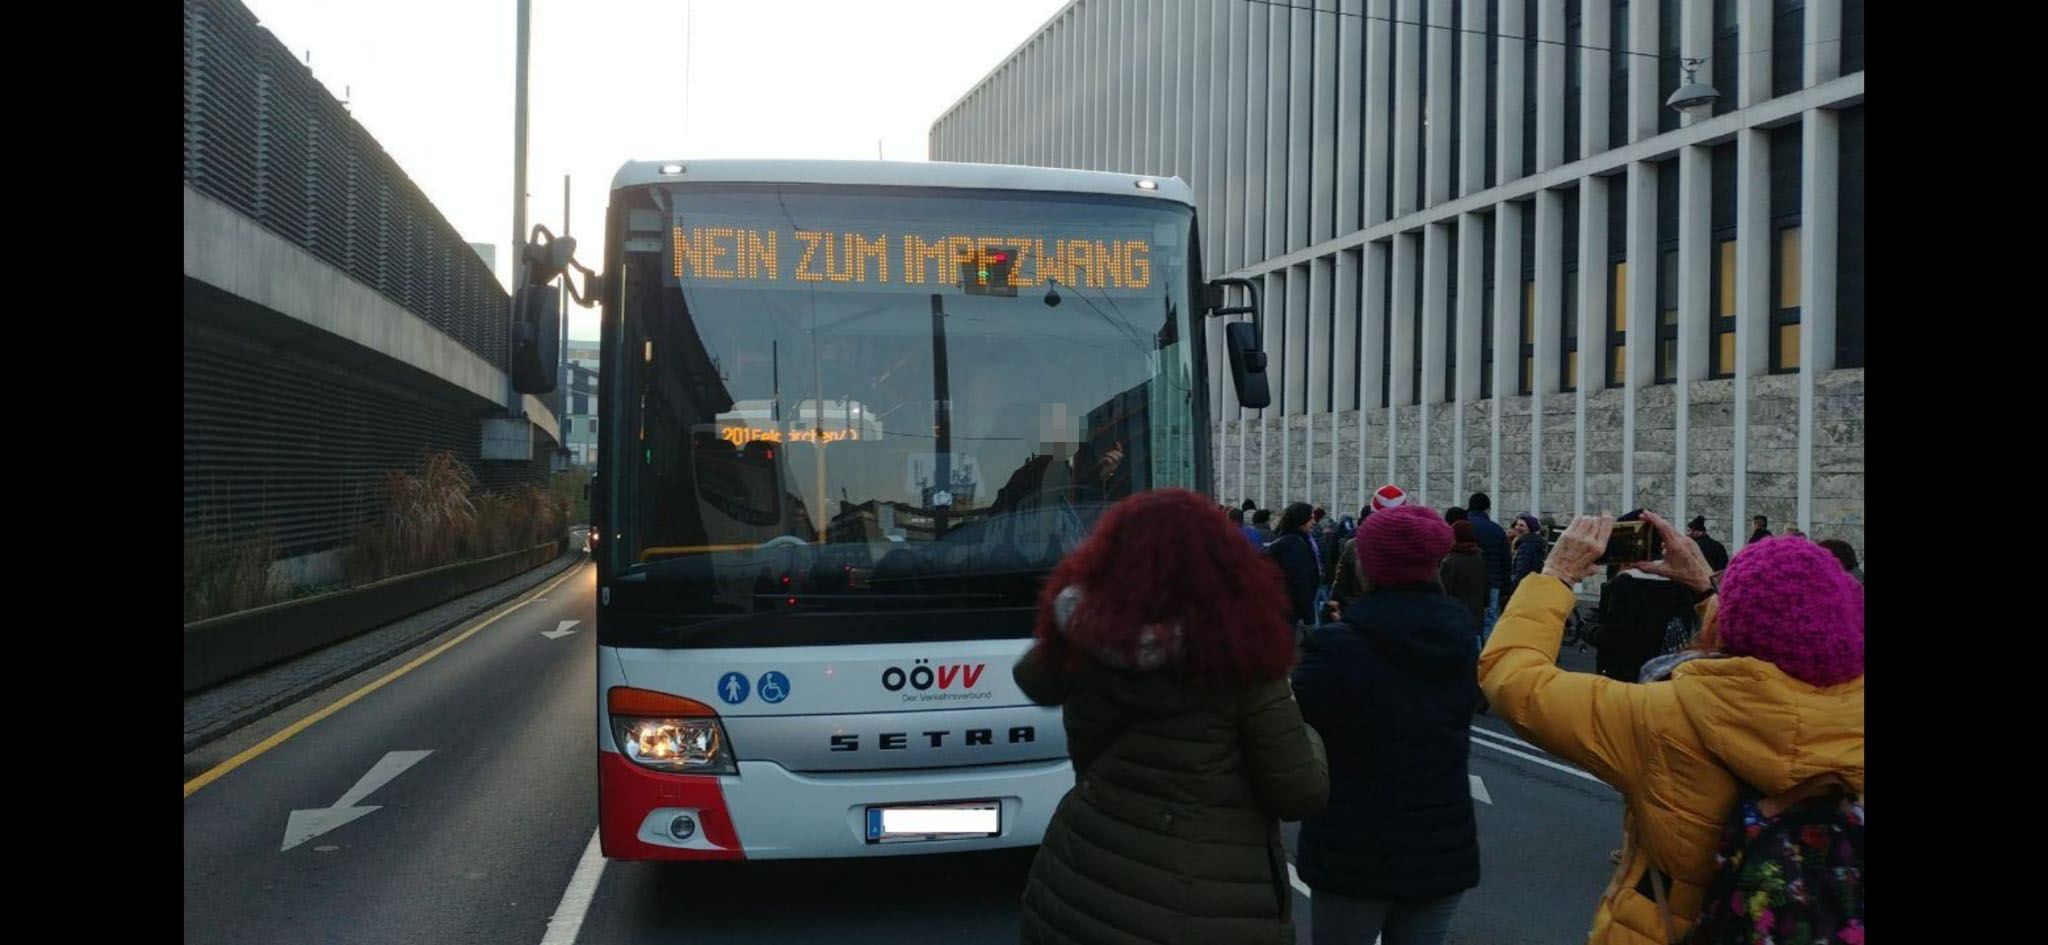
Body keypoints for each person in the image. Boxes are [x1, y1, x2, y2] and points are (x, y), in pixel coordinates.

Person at [1479, 514, 1863, 945]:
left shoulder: (1668, 717)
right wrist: (1704, 586)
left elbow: (1513, 682)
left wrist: (1556, 575)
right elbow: (1780, 640)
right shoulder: (1850, 723)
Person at [1015, 489, 1330, 945]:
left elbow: (1033, 680)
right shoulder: (1242, 658)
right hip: (1203, 897)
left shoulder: (1086, 633)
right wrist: (1309, 732)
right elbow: (1301, 793)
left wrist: (1083, 606)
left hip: (1082, 872)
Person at [1293, 505, 1480, 945]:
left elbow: (1297, 723)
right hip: (1441, 846)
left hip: (1354, 848)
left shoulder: (1339, 647)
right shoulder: (1459, 638)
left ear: (1370, 565)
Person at [1592, 511, 1702, 684]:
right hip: (1666, 675)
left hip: (1628, 678)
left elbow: (1613, 637)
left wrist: (1589, 631)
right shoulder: (1680, 580)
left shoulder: (1626, 583)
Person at [1268, 502, 1326, 631]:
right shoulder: (1293, 544)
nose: (1313, 521)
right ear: (1301, 519)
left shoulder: (1299, 540)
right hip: (1291, 609)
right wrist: (1309, 616)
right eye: (1310, 518)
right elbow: (1299, 581)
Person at [1466, 493, 1512, 644]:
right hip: (1493, 581)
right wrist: (1506, 587)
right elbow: (1506, 560)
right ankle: (1487, 656)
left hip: (1467, 581)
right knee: (1489, 619)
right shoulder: (1496, 530)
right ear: (1487, 508)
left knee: (1467, 617)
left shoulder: (1462, 526)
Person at [1440, 520, 1490, 639]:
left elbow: (1444, 590)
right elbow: (1486, 584)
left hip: (1455, 616)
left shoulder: (1450, 561)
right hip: (1476, 614)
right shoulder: (1480, 557)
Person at [1507, 513, 1548, 600]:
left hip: (1522, 589)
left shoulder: (1526, 546)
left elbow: (1521, 572)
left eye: (1522, 525)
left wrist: (1511, 590)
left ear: (1530, 528)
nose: (1517, 528)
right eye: (1517, 525)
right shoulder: (1534, 543)